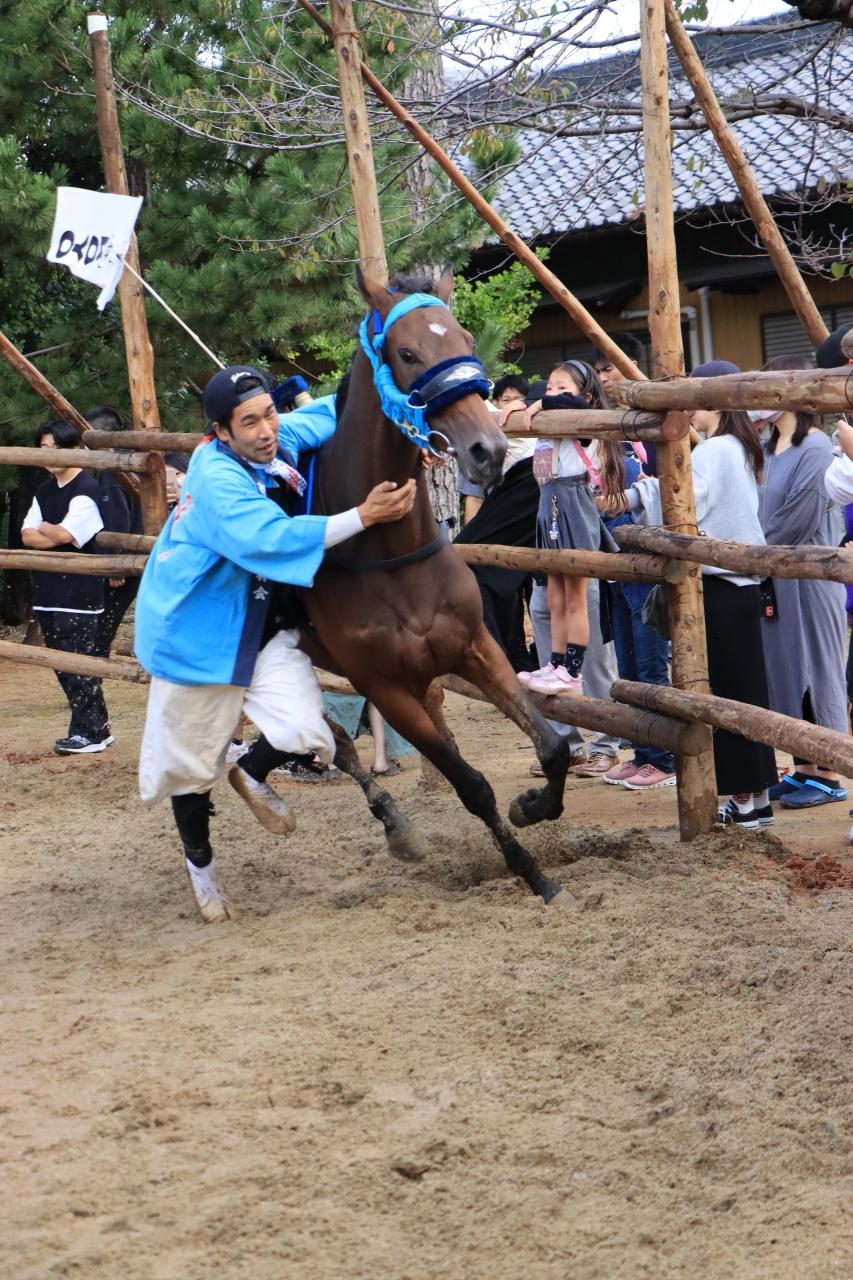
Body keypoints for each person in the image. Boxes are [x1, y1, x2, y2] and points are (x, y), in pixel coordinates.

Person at [134, 364, 416, 923]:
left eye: (269, 414)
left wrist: (408, 415)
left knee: (305, 731)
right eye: (250, 422)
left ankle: (249, 770)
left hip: (261, 624)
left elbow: (335, 412)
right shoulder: (216, 479)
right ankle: (201, 868)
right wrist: (364, 515)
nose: (266, 430)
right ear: (220, 431)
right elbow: (269, 537)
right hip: (196, 637)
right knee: (189, 769)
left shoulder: (273, 439)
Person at [624, 360, 778, 826]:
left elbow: (686, 502)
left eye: (696, 399)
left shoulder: (712, 450)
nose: (690, 409)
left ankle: (744, 800)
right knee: (748, 690)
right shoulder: (742, 446)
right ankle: (758, 799)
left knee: (726, 695)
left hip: (720, 586)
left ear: (715, 401)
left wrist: (638, 494)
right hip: (743, 586)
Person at [754, 354, 848, 811]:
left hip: (810, 577)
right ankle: (804, 766)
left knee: (817, 666)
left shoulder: (815, 447)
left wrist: (751, 551)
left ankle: (830, 773)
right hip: (772, 574)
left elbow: (799, 516)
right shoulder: (766, 446)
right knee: (787, 669)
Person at [504, 359, 612, 695]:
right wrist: (522, 405)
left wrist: (540, 403)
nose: (553, 394)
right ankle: (556, 662)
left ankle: (573, 672)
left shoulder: (583, 421)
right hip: (548, 505)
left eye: (562, 388)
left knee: (575, 596)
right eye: (549, 387)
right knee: (555, 596)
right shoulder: (548, 427)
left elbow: (571, 404)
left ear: (586, 396)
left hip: (573, 506)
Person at [21, 419, 113, 754]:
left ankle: (88, 732)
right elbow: (27, 535)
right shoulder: (44, 490)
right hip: (48, 591)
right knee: (62, 664)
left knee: (79, 663)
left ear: (75, 449)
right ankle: (97, 728)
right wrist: (54, 531)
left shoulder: (87, 489)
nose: (49, 454)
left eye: (57, 448)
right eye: (43, 448)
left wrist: (48, 528)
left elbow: (66, 535)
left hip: (79, 592)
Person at [84, 406, 145, 659]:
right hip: (137, 554)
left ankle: (92, 678)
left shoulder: (112, 470)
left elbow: (118, 518)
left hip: (123, 564)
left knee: (101, 630)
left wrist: (115, 564)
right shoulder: (134, 461)